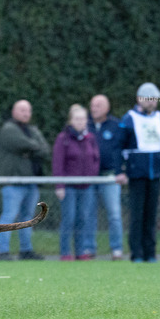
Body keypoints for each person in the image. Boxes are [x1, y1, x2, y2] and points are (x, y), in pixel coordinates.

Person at [115, 82, 160, 262]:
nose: (152, 103)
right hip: (136, 174)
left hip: (155, 174)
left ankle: (150, 253)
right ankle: (137, 254)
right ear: (139, 99)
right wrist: (120, 171)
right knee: (137, 216)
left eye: (154, 99)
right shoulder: (128, 119)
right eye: (149, 99)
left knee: (151, 216)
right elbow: (118, 147)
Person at [0, 99, 50, 260]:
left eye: (28, 110)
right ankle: (3, 251)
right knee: (9, 216)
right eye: (22, 110)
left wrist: (31, 149)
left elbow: (45, 149)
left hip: (31, 182)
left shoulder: (32, 130)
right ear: (14, 112)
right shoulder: (8, 129)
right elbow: (22, 144)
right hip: (13, 183)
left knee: (28, 217)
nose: (26, 113)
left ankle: (26, 250)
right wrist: (33, 148)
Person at [53, 104, 100, 260]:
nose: (80, 122)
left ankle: (80, 251)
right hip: (69, 187)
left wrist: (91, 176)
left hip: (86, 187)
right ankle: (65, 252)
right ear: (71, 120)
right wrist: (60, 186)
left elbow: (95, 159)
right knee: (69, 218)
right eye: (77, 119)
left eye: (83, 119)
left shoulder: (90, 138)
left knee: (83, 219)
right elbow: (58, 163)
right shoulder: (63, 138)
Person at [88, 94, 124, 260]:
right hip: (89, 178)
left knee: (114, 215)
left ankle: (116, 249)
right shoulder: (85, 124)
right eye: (93, 105)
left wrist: (120, 171)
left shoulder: (116, 125)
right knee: (89, 214)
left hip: (110, 177)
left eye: (99, 105)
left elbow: (122, 150)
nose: (94, 108)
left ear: (107, 108)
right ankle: (88, 249)